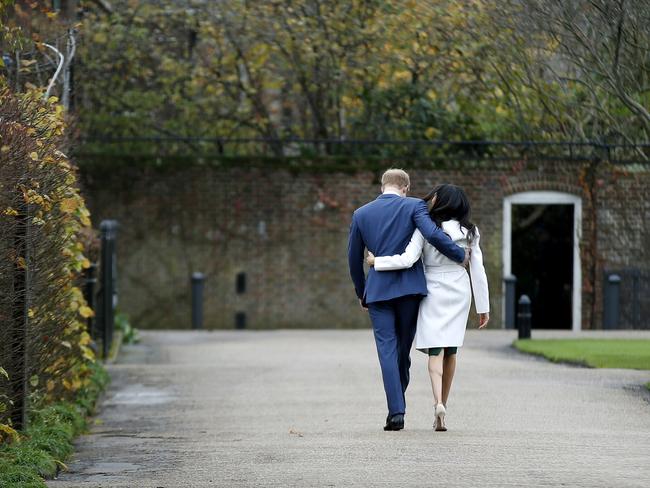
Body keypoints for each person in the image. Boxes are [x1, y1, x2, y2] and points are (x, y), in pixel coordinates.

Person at [347, 170, 469, 431]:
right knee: (403, 350)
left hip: (378, 290)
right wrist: (459, 255)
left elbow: (353, 258)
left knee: (387, 350)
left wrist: (361, 292)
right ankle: (398, 402)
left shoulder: (361, 214)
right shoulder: (414, 206)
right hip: (410, 291)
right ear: (406, 187)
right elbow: (434, 236)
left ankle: (396, 411)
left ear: (383, 187)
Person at [367, 183, 489, 431]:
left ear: (439, 202)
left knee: (436, 349)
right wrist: (483, 307)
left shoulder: (426, 228)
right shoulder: (470, 232)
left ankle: (437, 402)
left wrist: (376, 261)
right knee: (451, 348)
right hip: (459, 288)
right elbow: (478, 271)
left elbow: (407, 259)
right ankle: (443, 403)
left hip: (433, 288)